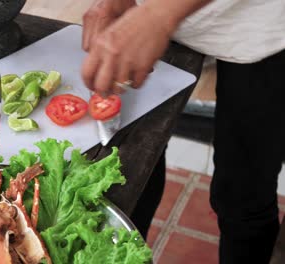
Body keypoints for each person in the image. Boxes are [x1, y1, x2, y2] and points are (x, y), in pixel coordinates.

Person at [80, 0, 285, 263]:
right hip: (149, 20)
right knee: (136, 172)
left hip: (261, 28)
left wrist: (158, 14)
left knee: (242, 197)